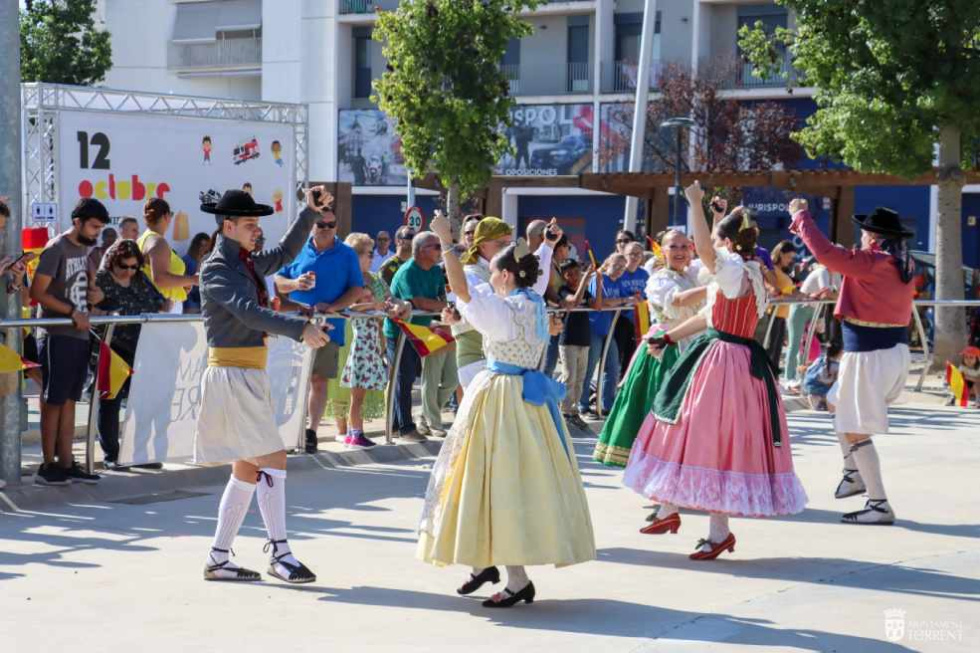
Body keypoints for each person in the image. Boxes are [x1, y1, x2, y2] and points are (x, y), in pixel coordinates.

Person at [419, 212, 595, 608]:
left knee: (492, 483)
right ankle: (499, 568)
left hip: (500, 395)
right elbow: (527, 275)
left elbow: (463, 290)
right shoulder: (533, 305)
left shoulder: (502, 312)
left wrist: (446, 241)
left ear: (505, 277)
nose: (492, 279)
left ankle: (513, 576)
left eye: (496, 273)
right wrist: (546, 248)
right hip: (530, 400)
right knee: (512, 482)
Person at [623, 181, 807, 559]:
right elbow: (711, 315)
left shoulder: (735, 269)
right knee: (704, 439)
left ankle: (675, 511)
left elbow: (704, 251)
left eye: (720, 241)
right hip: (735, 358)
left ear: (727, 243)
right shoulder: (752, 272)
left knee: (700, 436)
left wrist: (695, 203)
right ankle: (686, 516)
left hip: (724, 361)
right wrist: (670, 337)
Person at [196, 187, 331, 584]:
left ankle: (219, 557)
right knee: (272, 457)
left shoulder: (244, 261)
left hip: (246, 374)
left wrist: (308, 212)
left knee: (248, 468)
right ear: (229, 226)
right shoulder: (217, 268)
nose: (257, 231)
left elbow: (286, 254)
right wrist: (299, 328)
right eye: (251, 224)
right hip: (233, 374)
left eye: (257, 224)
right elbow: (248, 313)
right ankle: (280, 552)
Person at [790, 201, 915, 525]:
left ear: (873, 236)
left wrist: (800, 216)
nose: (860, 237)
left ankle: (878, 502)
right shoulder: (902, 263)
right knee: (834, 402)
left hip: (869, 354)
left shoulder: (874, 260)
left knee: (856, 429)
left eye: (863, 232)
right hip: (889, 351)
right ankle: (853, 472)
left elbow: (825, 253)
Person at [594, 230, 706, 468]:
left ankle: (684, 468)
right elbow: (677, 301)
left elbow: (713, 253)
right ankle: (654, 468)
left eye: (684, 246)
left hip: (695, 347)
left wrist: (716, 217)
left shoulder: (694, 274)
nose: (679, 251)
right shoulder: (658, 279)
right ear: (662, 251)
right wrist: (715, 289)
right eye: (673, 247)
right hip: (665, 349)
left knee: (694, 414)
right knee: (660, 409)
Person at [30, 198, 109, 486]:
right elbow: (37, 293)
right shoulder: (56, 248)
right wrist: (72, 312)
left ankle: (66, 462)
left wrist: (96, 296)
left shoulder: (85, 250)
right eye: (94, 226)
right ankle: (47, 464)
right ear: (78, 221)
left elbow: (89, 290)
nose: (97, 232)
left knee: (70, 400)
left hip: (78, 333)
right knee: (53, 401)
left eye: (100, 227)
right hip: (56, 334)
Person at [275, 209, 364, 453]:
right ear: (312, 226)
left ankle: (311, 431)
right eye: (320, 224)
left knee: (318, 380)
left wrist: (332, 307)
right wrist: (295, 283)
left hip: (328, 325)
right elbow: (278, 282)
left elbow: (357, 288)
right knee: (291, 381)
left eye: (331, 224)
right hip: (295, 326)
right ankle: (289, 430)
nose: (326, 228)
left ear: (336, 226)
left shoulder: (346, 254)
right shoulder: (297, 248)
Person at [442, 217, 560, 391]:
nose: (508, 247)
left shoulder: (512, 296)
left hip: (505, 376)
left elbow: (534, 283)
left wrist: (548, 245)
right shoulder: (471, 274)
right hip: (477, 356)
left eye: (509, 243)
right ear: (483, 245)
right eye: (501, 244)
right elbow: (465, 297)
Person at [91, 239, 166, 469]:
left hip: (141, 347)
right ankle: (112, 455)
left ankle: (139, 453)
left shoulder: (140, 279)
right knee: (110, 401)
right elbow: (92, 311)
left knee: (141, 401)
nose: (129, 271)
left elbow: (160, 302)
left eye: (134, 267)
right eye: (124, 266)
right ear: (113, 261)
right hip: (110, 348)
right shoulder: (100, 280)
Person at [340, 233, 410, 447]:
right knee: (357, 391)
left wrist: (401, 304)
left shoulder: (374, 278)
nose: (372, 257)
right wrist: (372, 306)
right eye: (369, 253)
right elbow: (347, 308)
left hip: (374, 338)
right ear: (356, 256)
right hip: (361, 338)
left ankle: (357, 431)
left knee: (364, 388)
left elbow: (390, 297)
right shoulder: (351, 280)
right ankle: (354, 432)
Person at [384, 232, 449, 442]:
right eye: (436, 246)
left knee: (415, 376)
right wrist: (446, 307)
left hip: (423, 330)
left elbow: (440, 298)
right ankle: (405, 427)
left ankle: (395, 425)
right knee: (404, 377)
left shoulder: (436, 271)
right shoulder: (407, 272)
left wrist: (444, 308)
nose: (440, 250)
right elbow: (419, 302)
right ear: (422, 250)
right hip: (400, 331)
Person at [580, 253, 633, 418]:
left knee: (613, 366)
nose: (619, 270)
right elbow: (599, 303)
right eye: (616, 266)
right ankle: (583, 405)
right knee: (589, 368)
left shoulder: (618, 283)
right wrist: (623, 300)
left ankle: (607, 405)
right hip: (593, 328)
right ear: (608, 263)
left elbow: (627, 300)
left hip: (608, 329)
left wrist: (624, 300)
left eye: (623, 268)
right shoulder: (598, 278)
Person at [785, 261, 841, 387]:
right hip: (800, 308)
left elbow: (838, 294)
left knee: (806, 347)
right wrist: (834, 295)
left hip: (814, 310)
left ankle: (801, 377)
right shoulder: (822, 271)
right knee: (794, 345)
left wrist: (832, 296)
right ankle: (789, 378)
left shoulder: (835, 273)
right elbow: (827, 294)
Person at [138, 198, 198, 314]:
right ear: (166, 216)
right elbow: (160, 279)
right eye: (171, 215)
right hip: (164, 308)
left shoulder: (143, 239)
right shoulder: (157, 241)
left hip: (160, 306)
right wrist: (193, 280)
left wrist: (183, 285)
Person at [556, 259, 596, 429]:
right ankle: (564, 410)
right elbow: (573, 301)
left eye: (576, 273)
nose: (574, 277)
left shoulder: (585, 292)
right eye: (569, 274)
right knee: (569, 376)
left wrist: (597, 281)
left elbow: (598, 305)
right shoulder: (563, 291)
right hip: (568, 340)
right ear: (564, 276)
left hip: (584, 339)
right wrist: (585, 280)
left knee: (580, 377)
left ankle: (573, 410)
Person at [614, 241, 650, 377]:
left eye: (638, 254)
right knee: (618, 357)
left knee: (633, 357)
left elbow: (649, 295)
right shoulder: (619, 273)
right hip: (621, 319)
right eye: (631, 254)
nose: (635, 257)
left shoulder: (644, 274)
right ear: (624, 255)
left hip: (640, 320)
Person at [764, 240, 800, 374]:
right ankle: (767, 380)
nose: (790, 260)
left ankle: (773, 380)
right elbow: (776, 291)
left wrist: (805, 295)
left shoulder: (783, 271)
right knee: (770, 350)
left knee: (776, 351)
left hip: (781, 315)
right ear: (781, 254)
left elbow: (790, 291)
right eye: (789, 257)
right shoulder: (772, 269)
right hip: (772, 313)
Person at [802, 341, 843, 411]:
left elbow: (809, 370)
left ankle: (816, 398)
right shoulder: (836, 366)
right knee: (838, 387)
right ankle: (821, 399)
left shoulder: (819, 359)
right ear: (840, 353)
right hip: (819, 388)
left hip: (806, 385)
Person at [182, 233, 213, 314]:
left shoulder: (209, 261)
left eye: (206, 245)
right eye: (201, 245)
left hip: (203, 296)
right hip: (189, 295)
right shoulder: (186, 260)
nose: (203, 248)